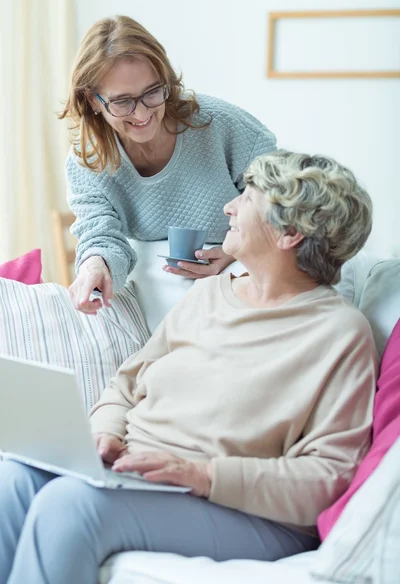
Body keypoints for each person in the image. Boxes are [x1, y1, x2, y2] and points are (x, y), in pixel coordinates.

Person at [0, 151, 377, 584]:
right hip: (135, 475)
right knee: (10, 481)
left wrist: (203, 475)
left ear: (289, 232)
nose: (229, 207)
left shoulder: (340, 333)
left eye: (248, 198)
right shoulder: (209, 292)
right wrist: (105, 433)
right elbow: (126, 384)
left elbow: (328, 476)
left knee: (70, 505)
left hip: (240, 509)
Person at [60, 15, 277, 315]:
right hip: (159, 291)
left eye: (152, 92)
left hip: (237, 274)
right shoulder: (89, 160)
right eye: (122, 102)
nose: (142, 113)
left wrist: (234, 251)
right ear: (93, 100)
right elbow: (100, 234)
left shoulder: (220, 125)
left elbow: (277, 202)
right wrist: (95, 264)